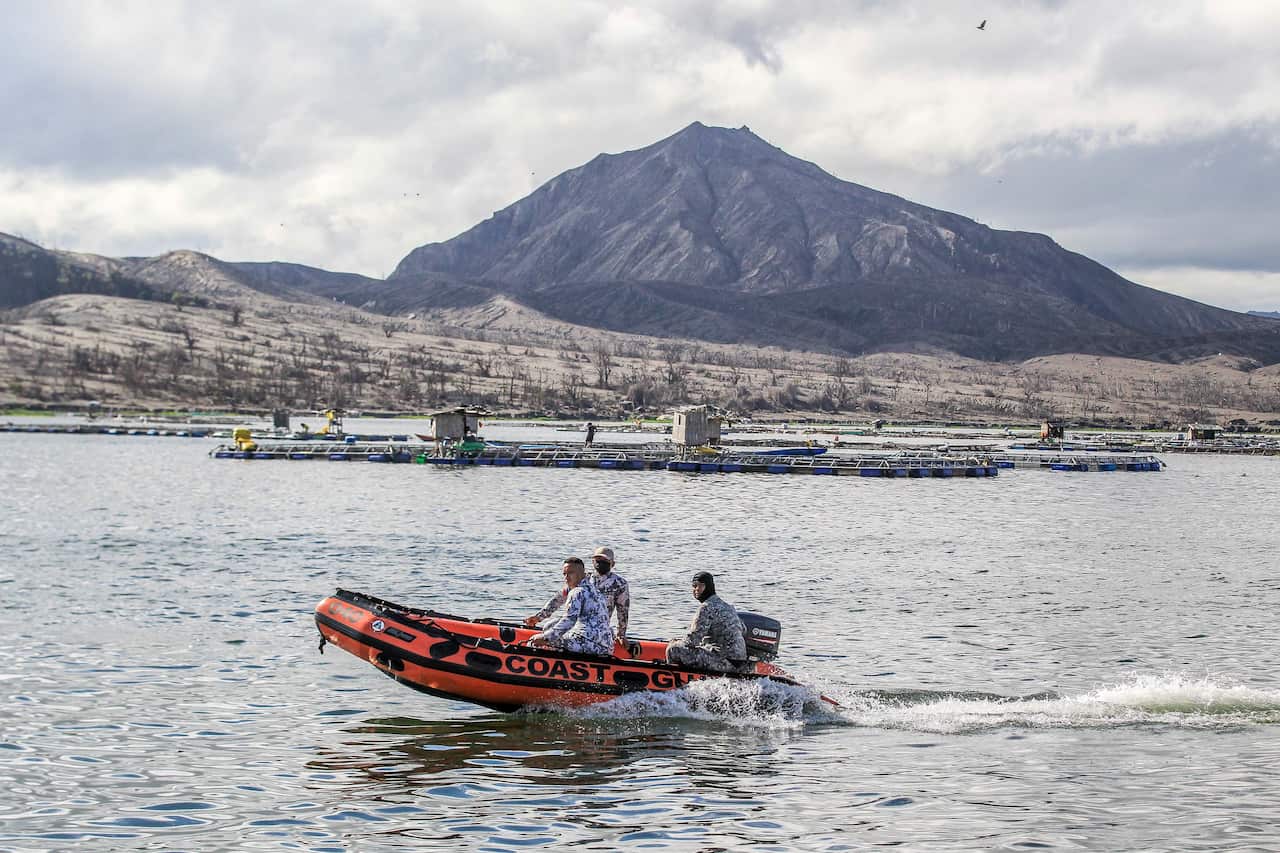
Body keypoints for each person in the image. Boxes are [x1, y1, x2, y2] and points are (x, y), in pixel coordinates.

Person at [526, 558, 613, 655]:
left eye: (570, 573)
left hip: (590, 644)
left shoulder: (577, 592)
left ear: (581, 574)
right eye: (564, 574)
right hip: (605, 646)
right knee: (550, 625)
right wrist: (539, 617)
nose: (566, 578)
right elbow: (556, 601)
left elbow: (569, 621)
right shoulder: (594, 590)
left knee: (533, 643)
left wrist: (545, 638)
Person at [665, 571, 747, 673]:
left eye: (699, 586)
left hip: (723, 663)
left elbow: (693, 639)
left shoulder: (706, 608)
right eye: (693, 586)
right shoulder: (728, 607)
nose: (695, 590)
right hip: (740, 663)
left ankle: (673, 679)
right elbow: (743, 630)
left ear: (708, 587)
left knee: (673, 649)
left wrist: (676, 642)